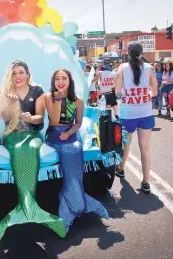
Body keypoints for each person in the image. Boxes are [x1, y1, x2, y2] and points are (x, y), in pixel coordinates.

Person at [0, 60, 65, 243]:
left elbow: (40, 116)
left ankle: (28, 206)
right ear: (11, 75)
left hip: (32, 135)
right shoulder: (5, 93)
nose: (18, 76)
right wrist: (12, 103)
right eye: (15, 73)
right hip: (12, 135)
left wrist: (31, 117)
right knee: (17, 149)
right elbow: (5, 117)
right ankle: (26, 207)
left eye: (21, 72)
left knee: (31, 149)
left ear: (27, 74)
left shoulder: (37, 90)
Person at [44, 69, 108, 233]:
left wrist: (71, 132)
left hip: (72, 134)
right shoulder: (48, 97)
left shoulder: (78, 101)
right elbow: (53, 119)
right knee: (66, 150)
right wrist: (58, 100)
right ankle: (81, 204)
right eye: (57, 78)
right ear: (53, 82)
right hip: (54, 134)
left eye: (64, 78)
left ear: (70, 81)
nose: (60, 81)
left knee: (74, 150)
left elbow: (78, 122)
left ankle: (72, 207)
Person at [115, 42, 157, 193]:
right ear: (141, 52)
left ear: (128, 52)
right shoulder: (150, 68)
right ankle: (146, 182)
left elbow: (118, 92)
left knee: (126, 146)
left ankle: (121, 169)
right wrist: (145, 95)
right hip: (145, 114)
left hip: (128, 115)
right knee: (145, 149)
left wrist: (129, 92)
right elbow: (155, 92)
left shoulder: (122, 68)